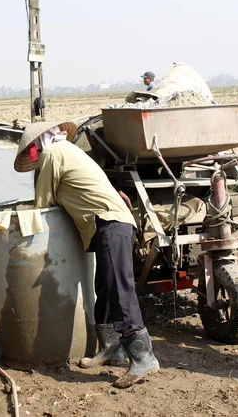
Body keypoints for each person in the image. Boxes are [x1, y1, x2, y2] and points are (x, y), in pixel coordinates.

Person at [14, 122, 159, 388]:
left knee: (118, 289)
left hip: (109, 222)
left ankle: (143, 357)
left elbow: (43, 203)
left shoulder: (52, 154)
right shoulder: (67, 149)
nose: (34, 152)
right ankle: (110, 350)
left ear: (37, 144)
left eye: (33, 148)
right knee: (103, 287)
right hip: (108, 222)